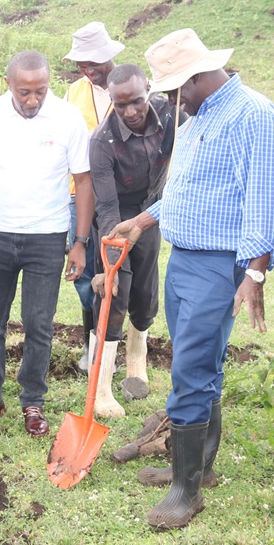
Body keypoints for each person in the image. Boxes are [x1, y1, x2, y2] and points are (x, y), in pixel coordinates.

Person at [108, 29, 274, 529]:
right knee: (199, 363)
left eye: (173, 89)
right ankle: (197, 469)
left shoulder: (254, 115)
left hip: (218, 263)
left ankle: (185, 492)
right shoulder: (198, 115)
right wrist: (143, 220)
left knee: (190, 368)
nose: (170, 100)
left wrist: (255, 272)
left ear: (198, 76)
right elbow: (192, 190)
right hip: (184, 257)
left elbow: (265, 200)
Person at [0, 51, 93, 438]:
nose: (32, 100)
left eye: (40, 91)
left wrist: (79, 242)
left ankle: (33, 400)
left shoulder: (68, 118)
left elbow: (83, 183)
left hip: (47, 238)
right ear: (7, 84)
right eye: (24, 92)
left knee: (38, 324)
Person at [88, 64, 179, 416]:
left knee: (144, 292)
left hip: (153, 211)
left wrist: (150, 217)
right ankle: (102, 386)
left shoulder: (172, 116)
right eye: (120, 104)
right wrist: (114, 248)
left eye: (136, 102)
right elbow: (106, 204)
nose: (129, 112)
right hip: (115, 216)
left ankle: (136, 362)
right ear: (110, 99)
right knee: (113, 293)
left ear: (149, 91)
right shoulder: (101, 141)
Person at [63, 22, 125, 374]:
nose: (88, 71)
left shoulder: (132, 86)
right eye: (81, 65)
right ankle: (92, 343)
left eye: (93, 64)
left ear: (109, 57)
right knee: (84, 270)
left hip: (120, 198)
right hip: (80, 194)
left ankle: (115, 350)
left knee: (117, 274)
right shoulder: (74, 92)